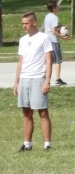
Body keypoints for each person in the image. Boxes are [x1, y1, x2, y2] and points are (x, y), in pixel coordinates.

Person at [14, 12, 53, 152]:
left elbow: (49, 60)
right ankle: (27, 144)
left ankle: (47, 144)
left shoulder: (44, 38)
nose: (24, 26)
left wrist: (47, 81)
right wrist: (16, 82)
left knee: (42, 112)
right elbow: (20, 62)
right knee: (26, 112)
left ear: (34, 23)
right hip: (24, 79)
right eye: (23, 23)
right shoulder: (23, 40)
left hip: (38, 78)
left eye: (26, 23)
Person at [44, 1, 69, 86]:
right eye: (57, 6)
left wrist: (60, 26)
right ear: (54, 8)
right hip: (53, 40)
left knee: (49, 60)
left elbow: (50, 28)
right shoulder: (54, 17)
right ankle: (58, 79)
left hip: (46, 40)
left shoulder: (47, 16)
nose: (58, 7)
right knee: (57, 60)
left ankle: (44, 77)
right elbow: (54, 31)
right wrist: (62, 37)